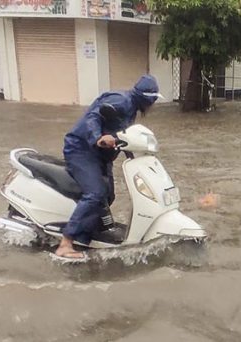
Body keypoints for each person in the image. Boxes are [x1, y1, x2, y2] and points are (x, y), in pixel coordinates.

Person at [55, 75, 163, 259]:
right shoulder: (121, 101)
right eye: (153, 100)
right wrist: (98, 137)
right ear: (147, 98)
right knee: (95, 193)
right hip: (82, 150)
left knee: (108, 195)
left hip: (100, 155)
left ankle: (86, 234)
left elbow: (123, 136)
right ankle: (65, 243)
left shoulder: (132, 109)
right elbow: (93, 116)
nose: (153, 105)